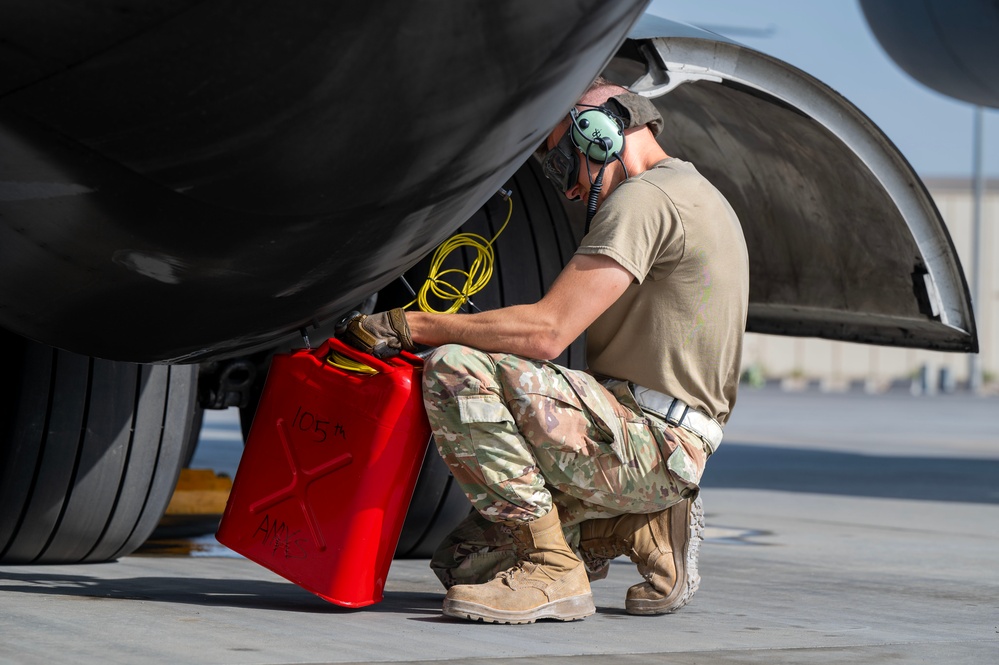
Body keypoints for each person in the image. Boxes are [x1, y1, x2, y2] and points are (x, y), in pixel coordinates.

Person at [337, 76, 749, 624]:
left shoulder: (644, 201)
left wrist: (410, 325)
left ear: (599, 132)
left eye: (560, 165)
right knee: (464, 562)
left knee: (456, 369)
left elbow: (547, 333)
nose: (569, 190)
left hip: (651, 441)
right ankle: (634, 524)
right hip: (657, 440)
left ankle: (553, 567)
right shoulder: (693, 191)